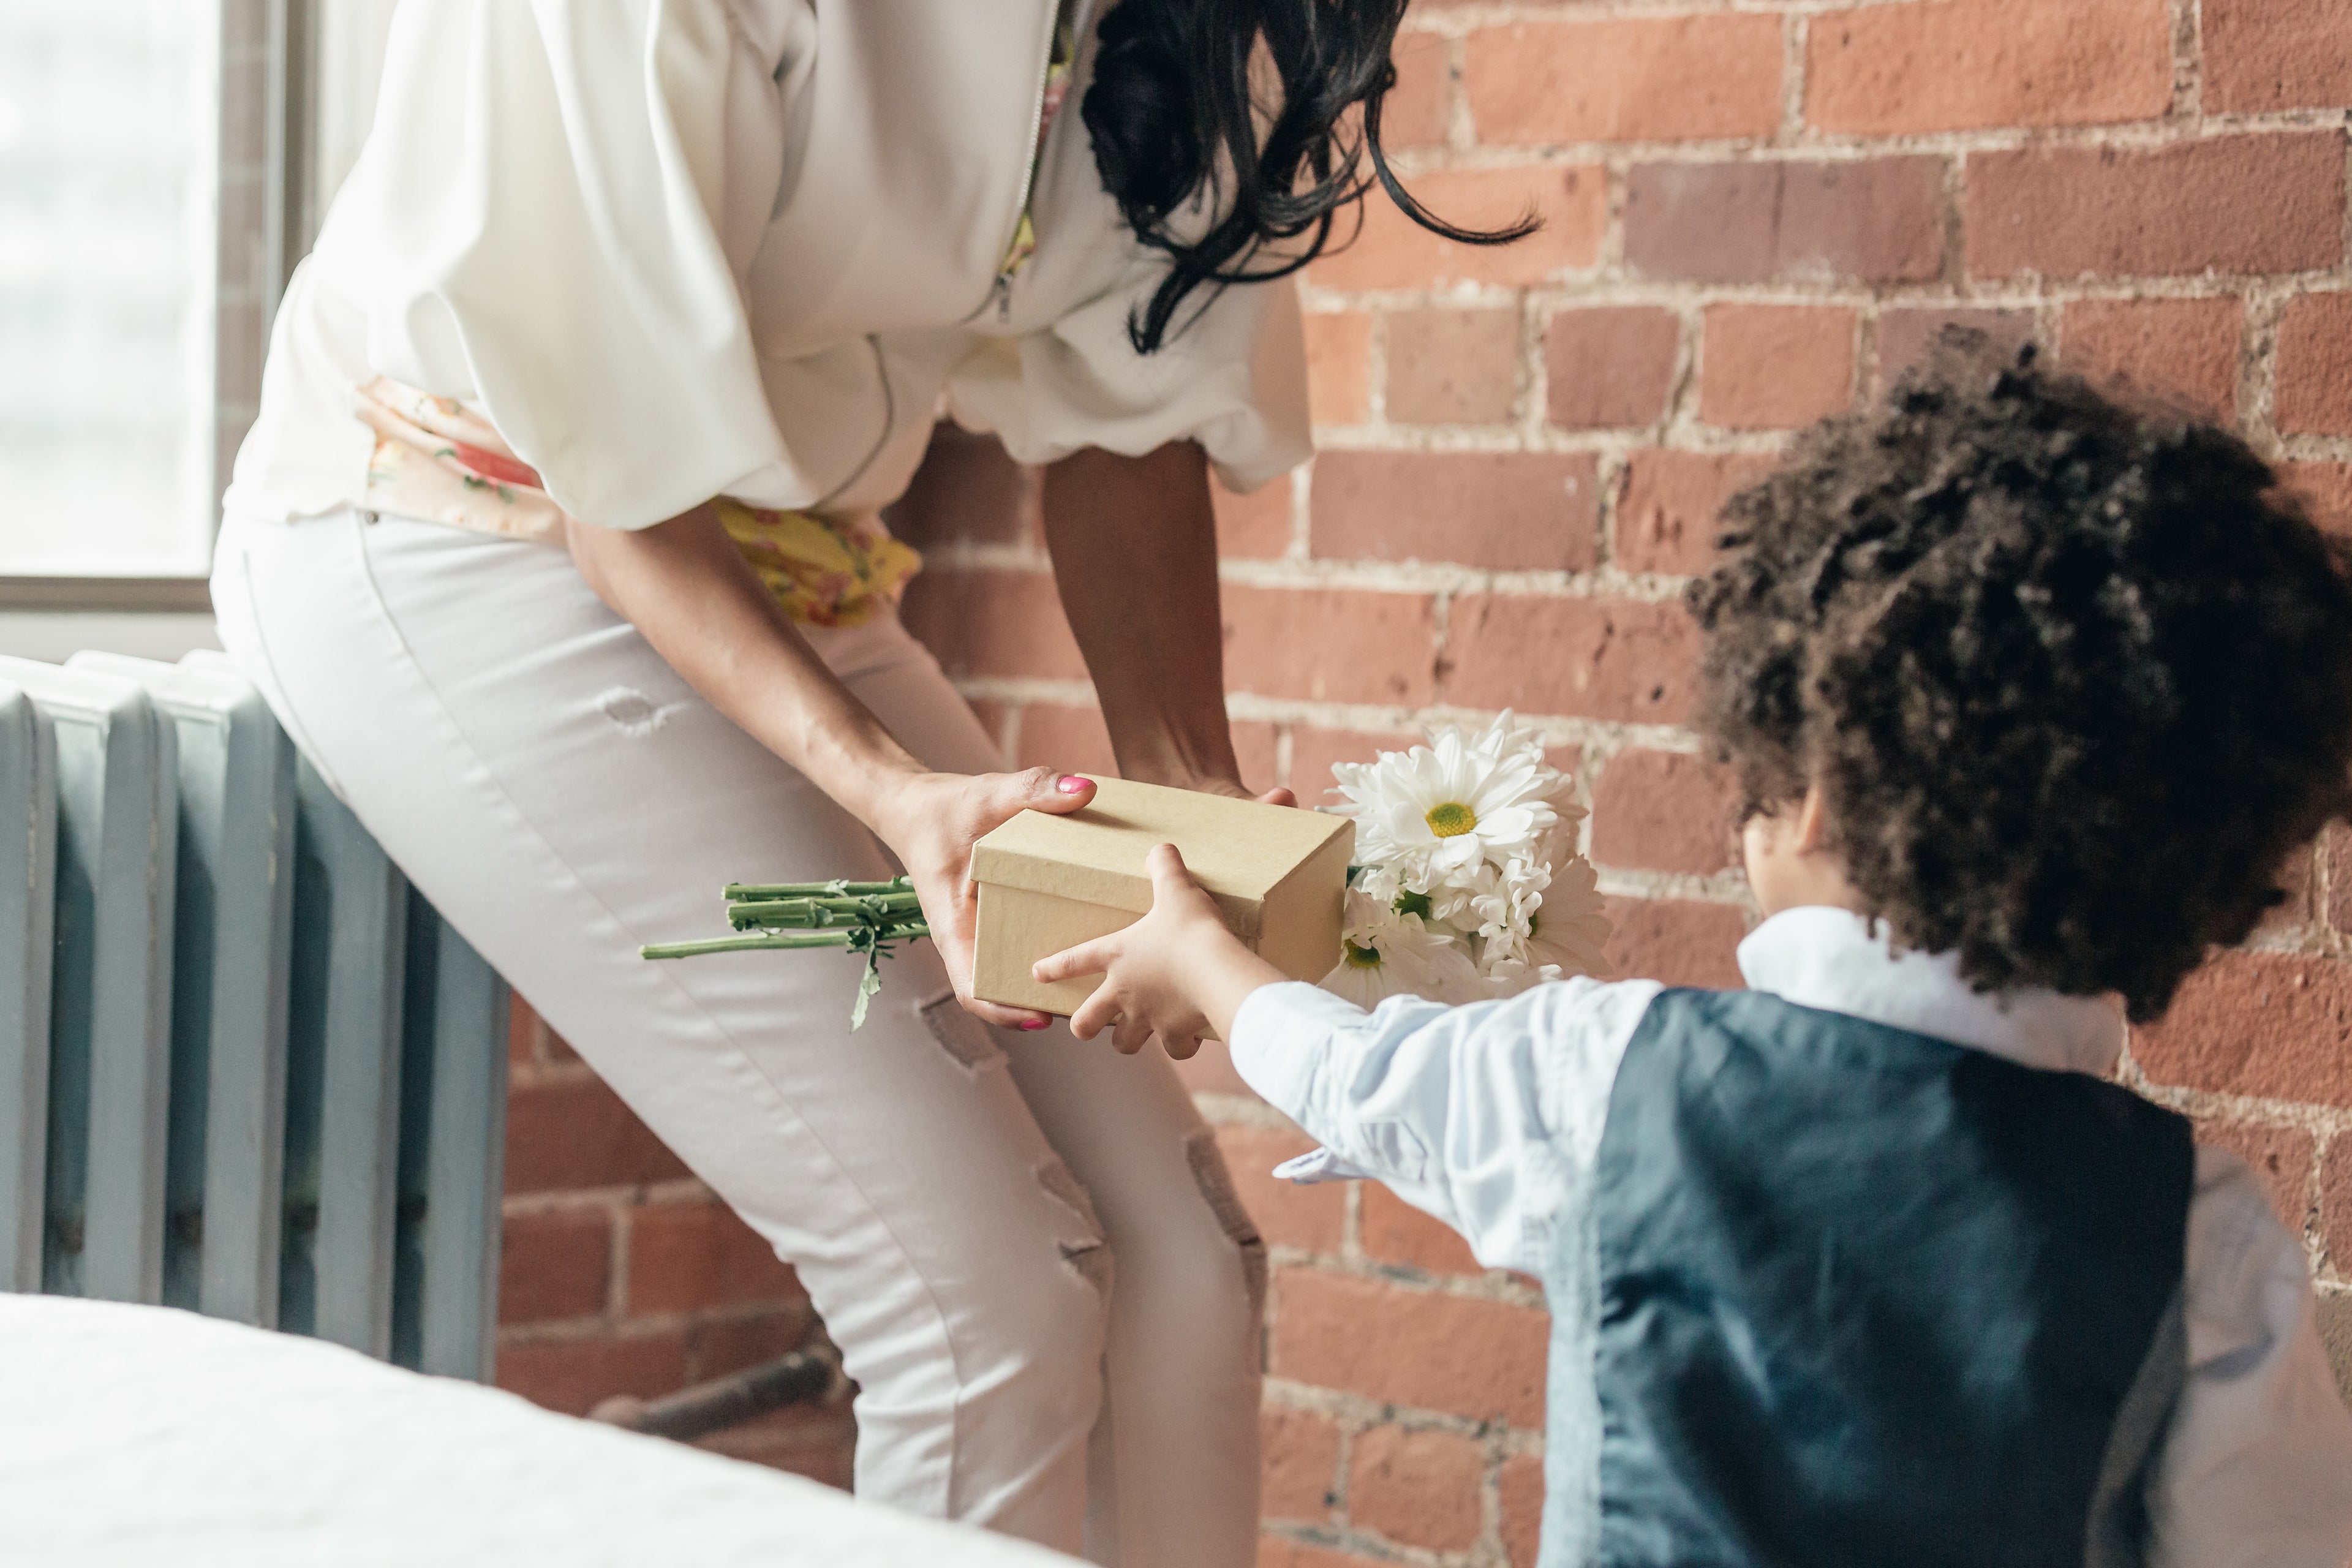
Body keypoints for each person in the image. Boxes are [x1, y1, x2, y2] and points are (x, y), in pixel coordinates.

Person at [206, 2, 1523, 1561]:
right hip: (456, 523)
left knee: (1187, 1254)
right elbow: (623, 485)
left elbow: (1128, 402)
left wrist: (1201, 808)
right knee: (986, 1307)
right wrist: (891, 793)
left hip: (791, 559)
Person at [1039, 341, 2352, 1566]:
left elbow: (1366, 1078)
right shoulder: (2205, 1235)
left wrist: (1203, 956)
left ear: (1822, 785)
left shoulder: (1615, 1072)